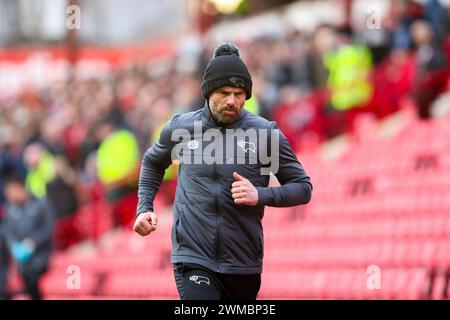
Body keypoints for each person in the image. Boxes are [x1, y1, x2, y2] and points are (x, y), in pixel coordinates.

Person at [134, 43, 313, 300]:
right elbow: (152, 162)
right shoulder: (181, 128)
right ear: (208, 92)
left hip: (243, 263)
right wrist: (144, 207)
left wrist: (260, 195)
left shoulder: (264, 134)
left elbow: (303, 187)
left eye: (240, 93)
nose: (232, 100)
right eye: (224, 92)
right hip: (193, 256)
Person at [2, 171, 54, 300]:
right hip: (20, 258)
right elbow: (8, 230)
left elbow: (48, 228)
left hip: (40, 255)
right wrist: (13, 245)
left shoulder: (40, 204)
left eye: (12, 191)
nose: (10, 196)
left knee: (30, 276)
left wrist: (32, 243)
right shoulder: (11, 208)